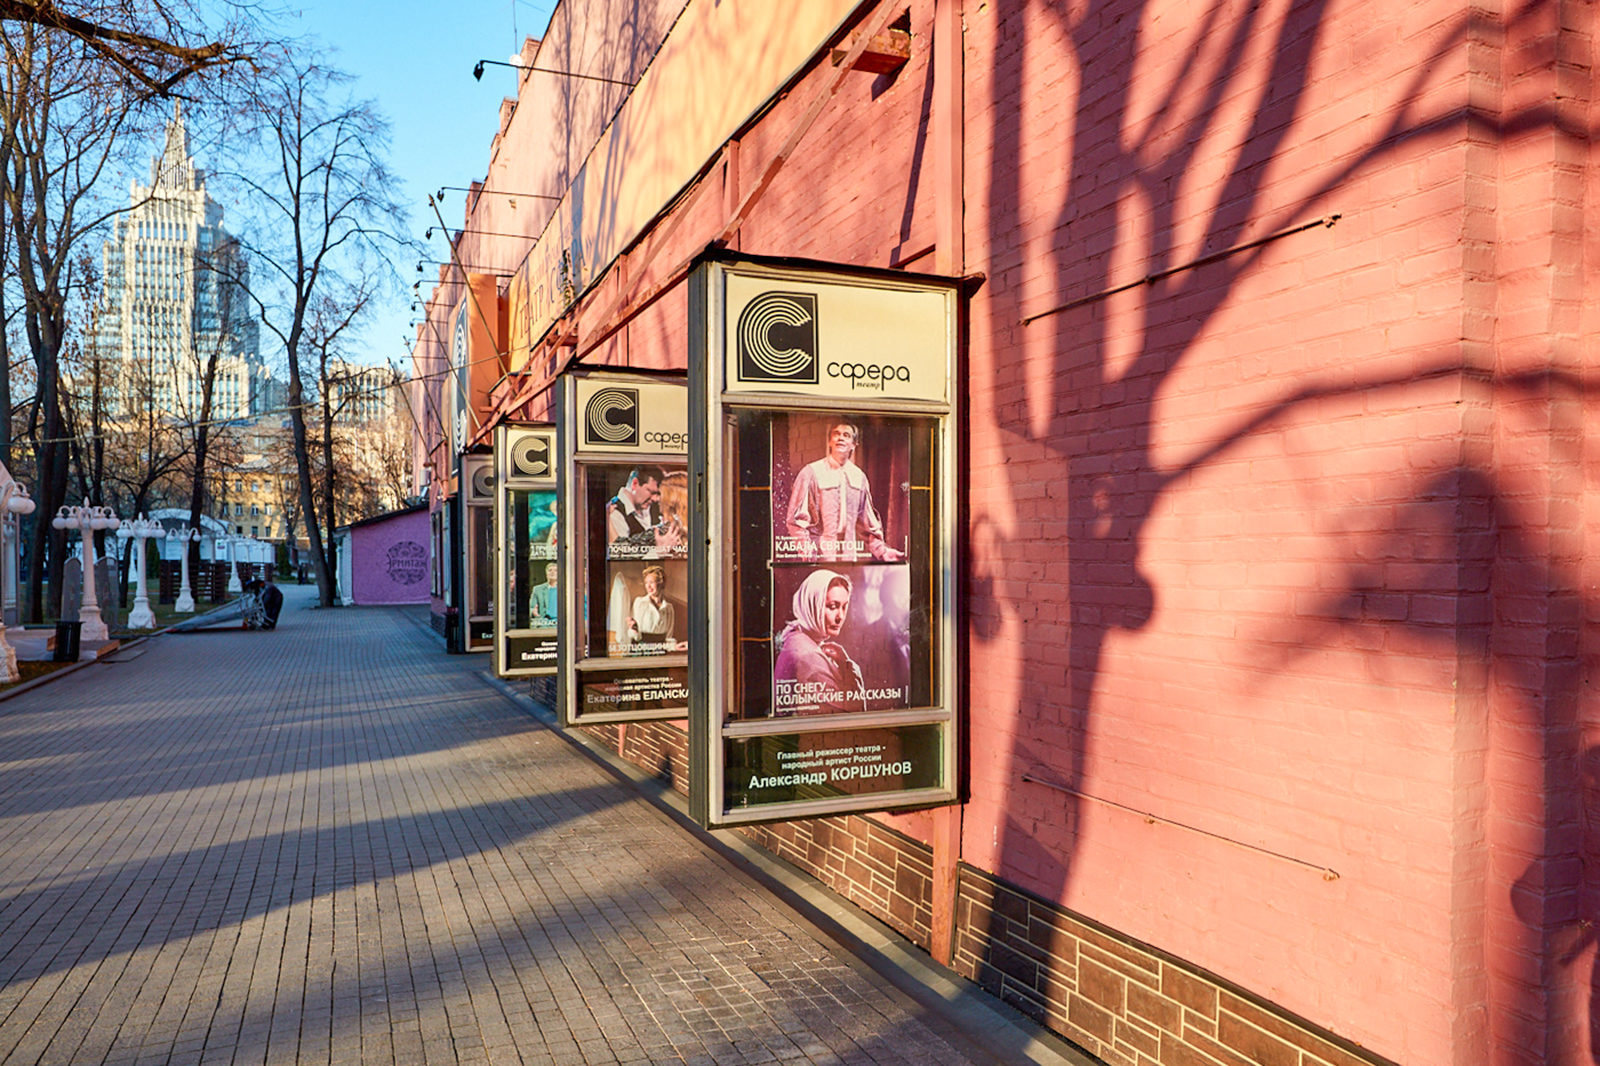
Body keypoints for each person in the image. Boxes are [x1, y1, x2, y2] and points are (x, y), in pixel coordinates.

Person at [783, 422, 904, 562]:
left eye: (846, 435)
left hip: (849, 556)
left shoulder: (859, 477)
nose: (840, 438)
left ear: (854, 444)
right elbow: (795, 520)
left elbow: (867, 522)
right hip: (819, 556)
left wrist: (882, 551)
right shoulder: (811, 472)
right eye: (836, 434)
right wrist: (807, 552)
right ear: (830, 441)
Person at [773, 569, 866, 714]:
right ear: (812, 604)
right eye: (832, 607)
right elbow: (854, 713)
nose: (840, 617)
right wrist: (849, 669)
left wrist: (844, 663)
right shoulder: (809, 658)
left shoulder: (795, 637)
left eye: (844, 607)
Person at [606, 466, 683, 555]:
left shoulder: (656, 512)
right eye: (652, 492)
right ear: (635, 484)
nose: (656, 499)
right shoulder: (614, 513)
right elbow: (619, 553)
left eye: (659, 494)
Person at [626, 564, 678, 653]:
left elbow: (668, 638)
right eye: (646, 583)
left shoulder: (669, 608)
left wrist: (675, 647)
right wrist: (634, 629)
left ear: (661, 583)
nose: (648, 586)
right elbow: (634, 635)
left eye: (651, 582)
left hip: (660, 652)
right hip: (641, 650)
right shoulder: (640, 603)